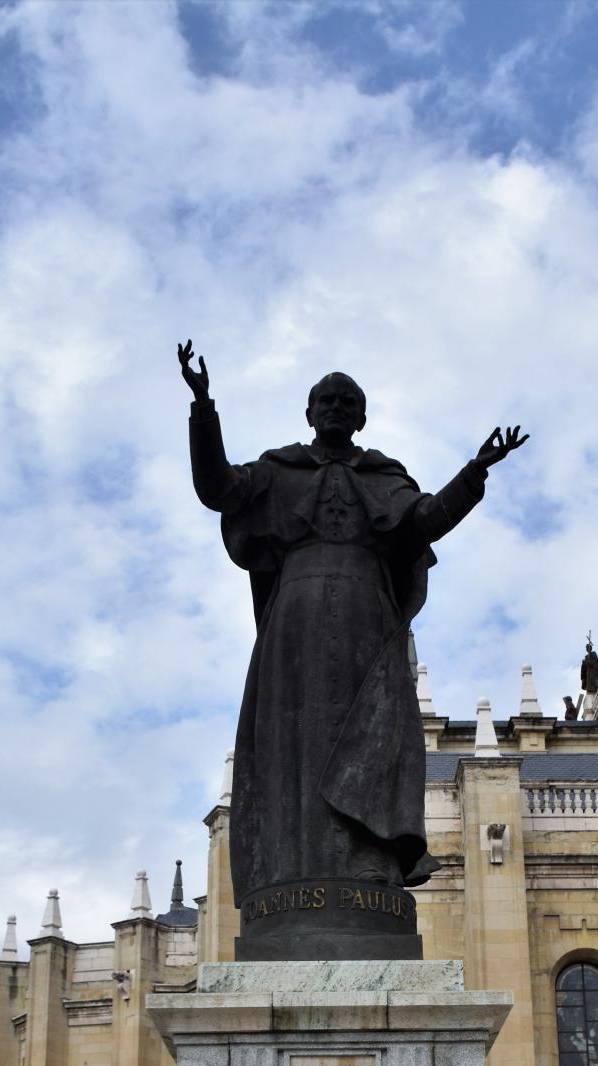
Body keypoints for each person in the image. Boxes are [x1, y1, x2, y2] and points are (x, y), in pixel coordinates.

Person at [179, 342, 526, 903]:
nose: (336, 408)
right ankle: (289, 872)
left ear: (361, 417)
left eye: (347, 402)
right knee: (293, 739)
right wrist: (203, 407)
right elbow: (215, 488)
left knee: (382, 731)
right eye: (326, 400)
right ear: (309, 412)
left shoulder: (382, 474)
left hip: (370, 616)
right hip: (296, 616)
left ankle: (373, 862)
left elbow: (425, 520)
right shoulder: (277, 469)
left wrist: (474, 473)